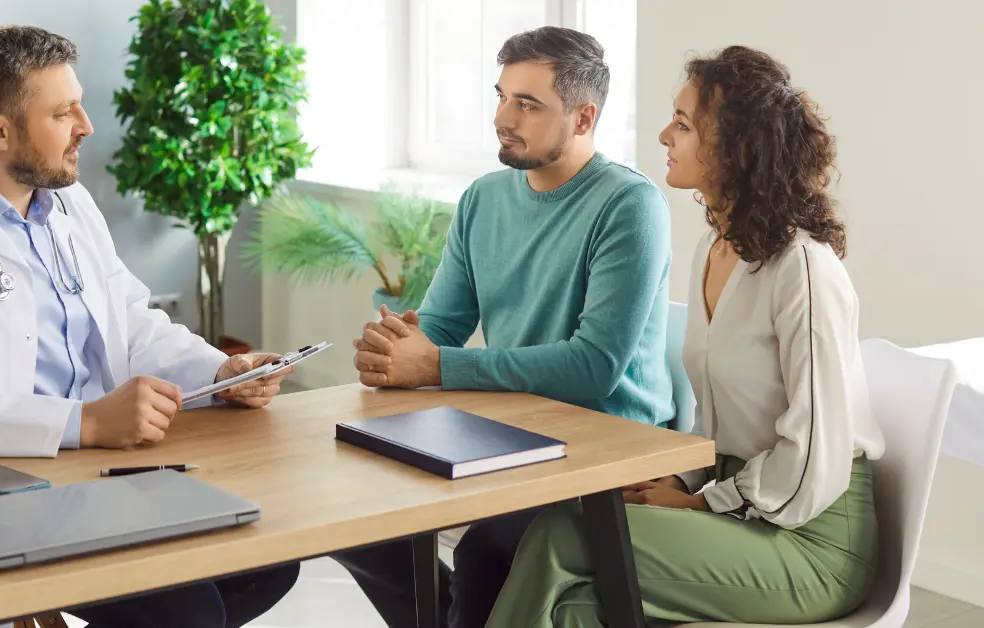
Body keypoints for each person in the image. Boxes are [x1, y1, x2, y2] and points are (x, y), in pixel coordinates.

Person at [0, 25, 298, 628]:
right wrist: (83, 422)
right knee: (187, 613)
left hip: (95, 474)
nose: (86, 125)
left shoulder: (66, 202)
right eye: (63, 113)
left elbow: (129, 321)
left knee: (267, 564)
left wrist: (220, 371)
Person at [483, 45, 886, 627]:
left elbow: (811, 461)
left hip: (810, 540)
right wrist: (680, 476)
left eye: (684, 123)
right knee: (574, 611)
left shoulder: (802, 269)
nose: (663, 136)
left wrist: (703, 501)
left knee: (561, 534)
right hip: (746, 504)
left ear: (735, 146)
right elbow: (718, 422)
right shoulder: (714, 251)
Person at [334, 26, 675, 628]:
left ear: (584, 116)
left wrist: (434, 365)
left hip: (604, 444)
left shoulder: (629, 205)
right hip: (510, 429)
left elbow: (593, 368)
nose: (502, 118)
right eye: (501, 96)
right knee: (353, 519)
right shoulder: (483, 199)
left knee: (485, 550)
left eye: (528, 104)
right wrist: (395, 349)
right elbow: (441, 324)